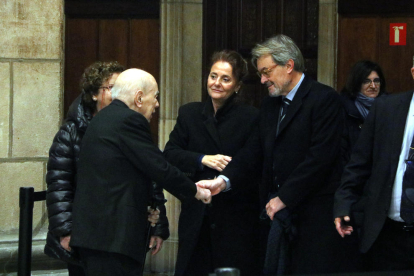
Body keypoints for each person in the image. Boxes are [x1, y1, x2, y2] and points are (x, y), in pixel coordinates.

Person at [198, 34, 358, 274]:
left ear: (289, 66)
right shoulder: (270, 106)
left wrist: (285, 197)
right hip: (277, 218)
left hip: (313, 217)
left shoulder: (324, 99)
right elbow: (253, 151)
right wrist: (222, 181)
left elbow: (320, 158)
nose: (262, 80)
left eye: (266, 72)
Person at [69, 68, 213, 276]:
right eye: (154, 97)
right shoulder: (129, 120)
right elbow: (158, 166)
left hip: (97, 237)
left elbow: (121, 176)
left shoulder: (104, 117)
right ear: (138, 98)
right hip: (113, 240)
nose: (157, 104)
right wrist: (196, 191)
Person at [163, 50, 260, 276]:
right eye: (213, 76)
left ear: (237, 86)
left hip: (235, 219)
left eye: (225, 79)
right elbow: (170, 154)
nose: (217, 83)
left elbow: (253, 164)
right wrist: (201, 158)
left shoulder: (251, 117)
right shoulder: (190, 113)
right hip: (197, 216)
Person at [44, 61, 125, 275]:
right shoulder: (70, 133)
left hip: (120, 231)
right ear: (94, 94)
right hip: (84, 232)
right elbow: (59, 185)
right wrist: (65, 231)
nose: (118, 95)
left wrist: (158, 225)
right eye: (111, 88)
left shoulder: (129, 128)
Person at [334, 65, 414, 272]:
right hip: (388, 235)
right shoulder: (386, 109)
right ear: (413, 72)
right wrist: (343, 205)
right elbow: (359, 164)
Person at [340, 60, 386, 164]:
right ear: (357, 83)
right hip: (353, 170)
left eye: (377, 81)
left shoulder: (390, 107)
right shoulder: (344, 107)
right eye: (366, 81)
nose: (373, 86)